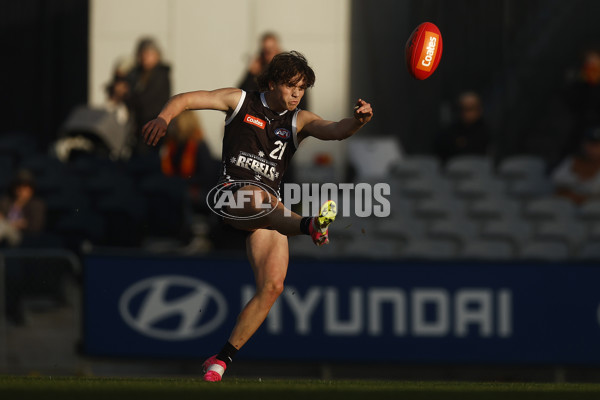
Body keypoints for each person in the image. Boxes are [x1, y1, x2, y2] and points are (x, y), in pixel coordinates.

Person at [142, 51, 373, 382]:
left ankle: (220, 360)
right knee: (263, 200)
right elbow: (186, 99)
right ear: (275, 82)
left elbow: (335, 130)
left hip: (271, 211)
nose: (297, 94)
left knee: (273, 286)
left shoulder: (299, 120)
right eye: (292, 86)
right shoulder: (239, 101)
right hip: (232, 196)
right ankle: (308, 225)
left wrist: (359, 121)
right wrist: (164, 118)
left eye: (303, 88)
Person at [238, 32, 309, 110]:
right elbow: (241, 98)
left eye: (272, 50)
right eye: (266, 52)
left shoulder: (293, 71)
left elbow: (303, 106)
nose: (269, 55)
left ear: (278, 50)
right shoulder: (258, 72)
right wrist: (251, 74)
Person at [127, 37, 171, 153]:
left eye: (149, 54)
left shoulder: (161, 74)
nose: (145, 57)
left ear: (157, 55)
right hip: (139, 128)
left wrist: (128, 95)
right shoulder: (136, 74)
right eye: (143, 54)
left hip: (154, 125)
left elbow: (146, 100)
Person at [435, 91, 491, 163]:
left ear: (479, 110)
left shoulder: (487, 131)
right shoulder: (450, 132)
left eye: (470, 109)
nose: (466, 113)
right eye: (462, 109)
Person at [552, 125, 600, 205]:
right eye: (590, 144)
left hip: (592, 207)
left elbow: (595, 189)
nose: (592, 148)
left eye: (596, 145)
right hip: (565, 204)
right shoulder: (574, 160)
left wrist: (574, 184)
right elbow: (556, 178)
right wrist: (579, 179)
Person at [0, 170, 45, 247]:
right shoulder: (6, 201)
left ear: (31, 189)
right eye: (18, 186)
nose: (21, 189)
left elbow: (35, 225)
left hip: (24, 237)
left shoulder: (37, 205)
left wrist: (14, 224)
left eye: (25, 186)